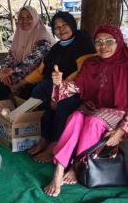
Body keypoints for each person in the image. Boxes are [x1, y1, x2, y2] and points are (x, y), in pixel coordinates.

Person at [44, 25, 128, 197]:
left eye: (109, 41)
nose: (103, 46)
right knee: (75, 117)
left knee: (93, 121)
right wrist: (60, 84)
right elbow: (77, 86)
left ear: (119, 41)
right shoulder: (91, 63)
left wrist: (121, 131)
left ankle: (77, 166)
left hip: (118, 112)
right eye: (98, 42)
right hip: (93, 107)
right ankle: (59, 169)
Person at [15, 12, 96, 162]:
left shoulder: (83, 42)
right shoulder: (58, 47)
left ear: (72, 24)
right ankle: (43, 138)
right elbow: (41, 71)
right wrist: (20, 83)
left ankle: (55, 144)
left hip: (80, 90)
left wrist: (59, 93)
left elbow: (82, 73)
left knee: (64, 104)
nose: (61, 29)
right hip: (58, 88)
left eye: (64, 25)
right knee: (40, 91)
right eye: (56, 27)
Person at [0, 6, 55, 100]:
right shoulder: (19, 33)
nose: (24, 21)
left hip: (37, 77)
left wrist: (12, 70)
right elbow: (11, 55)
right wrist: (5, 68)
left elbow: (33, 60)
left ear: (35, 18)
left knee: (26, 92)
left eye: (29, 17)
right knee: (1, 82)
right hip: (19, 73)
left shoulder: (43, 36)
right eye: (21, 18)